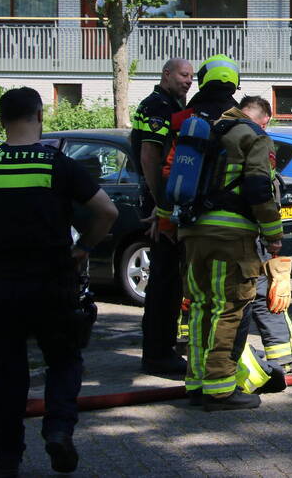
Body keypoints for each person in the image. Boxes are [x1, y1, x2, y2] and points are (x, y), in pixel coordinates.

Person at [0, 88, 118, 475]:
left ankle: (6, 457)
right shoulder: (56, 163)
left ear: (3, 119)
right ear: (40, 116)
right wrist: (83, 248)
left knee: (5, 373)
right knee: (63, 359)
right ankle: (58, 431)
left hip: (0, 284)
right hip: (53, 280)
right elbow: (107, 211)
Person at [158, 56, 286, 411]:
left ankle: (197, 382)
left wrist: (167, 221)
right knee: (229, 308)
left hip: (192, 233)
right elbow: (260, 188)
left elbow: (170, 178)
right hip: (232, 238)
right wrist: (273, 234)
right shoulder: (250, 133)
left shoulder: (192, 127)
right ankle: (220, 389)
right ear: (235, 88)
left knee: (199, 307)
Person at [132, 57, 194, 375]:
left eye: (192, 78)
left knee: (170, 278)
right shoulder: (158, 106)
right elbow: (149, 155)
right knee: (165, 279)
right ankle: (158, 353)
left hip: (163, 201)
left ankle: (163, 347)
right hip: (160, 202)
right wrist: (162, 206)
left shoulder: (169, 103)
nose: (188, 81)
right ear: (166, 74)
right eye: (184, 75)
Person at [237, 95, 292, 374]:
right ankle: (281, 357)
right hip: (251, 232)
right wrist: (273, 234)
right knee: (266, 293)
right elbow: (263, 190)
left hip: (213, 233)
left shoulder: (217, 134)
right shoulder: (258, 140)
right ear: (265, 119)